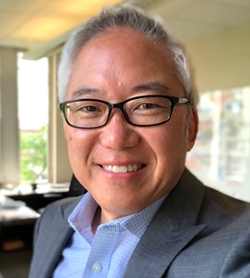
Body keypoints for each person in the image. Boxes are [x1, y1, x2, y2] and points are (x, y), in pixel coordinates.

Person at [29, 5, 250, 278]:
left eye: (146, 105)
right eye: (89, 108)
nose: (115, 138)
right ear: (67, 127)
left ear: (190, 127)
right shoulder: (51, 220)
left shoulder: (241, 246)